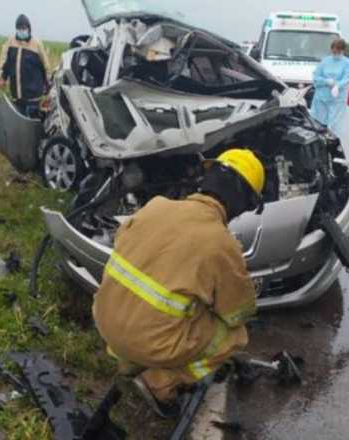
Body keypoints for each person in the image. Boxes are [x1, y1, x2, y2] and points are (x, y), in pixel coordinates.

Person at [92, 149, 263, 416]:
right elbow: (236, 313)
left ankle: (128, 362)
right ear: (243, 201)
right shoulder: (221, 243)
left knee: (159, 303)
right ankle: (160, 382)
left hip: (107, 324)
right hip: (149, 341)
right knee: (234, 337)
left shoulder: (157, 205)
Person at [0, 14, 49, 117]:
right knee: (19, 121)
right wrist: (2, 77)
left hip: (33, 96)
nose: (21, 30)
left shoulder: (36, 44)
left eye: (24, 28)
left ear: (29, 29)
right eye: (19, 28)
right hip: (17, 94)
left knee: (32, 122)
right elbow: (6, 63)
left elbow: (46, 67)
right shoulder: (11, 42)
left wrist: (48, 85)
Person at [310, 38, 349, 132]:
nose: (335, 53)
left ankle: (333, 142)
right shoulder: (325, 61)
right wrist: (326, 81)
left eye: (338, 51)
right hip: (321, 97)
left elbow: (347, 78)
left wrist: (338, 86)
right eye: (333, 51)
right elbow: (316, 76)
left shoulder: (347, 63)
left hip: (337, 98)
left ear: (342, 50)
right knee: (318, 123)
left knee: (334, 125)